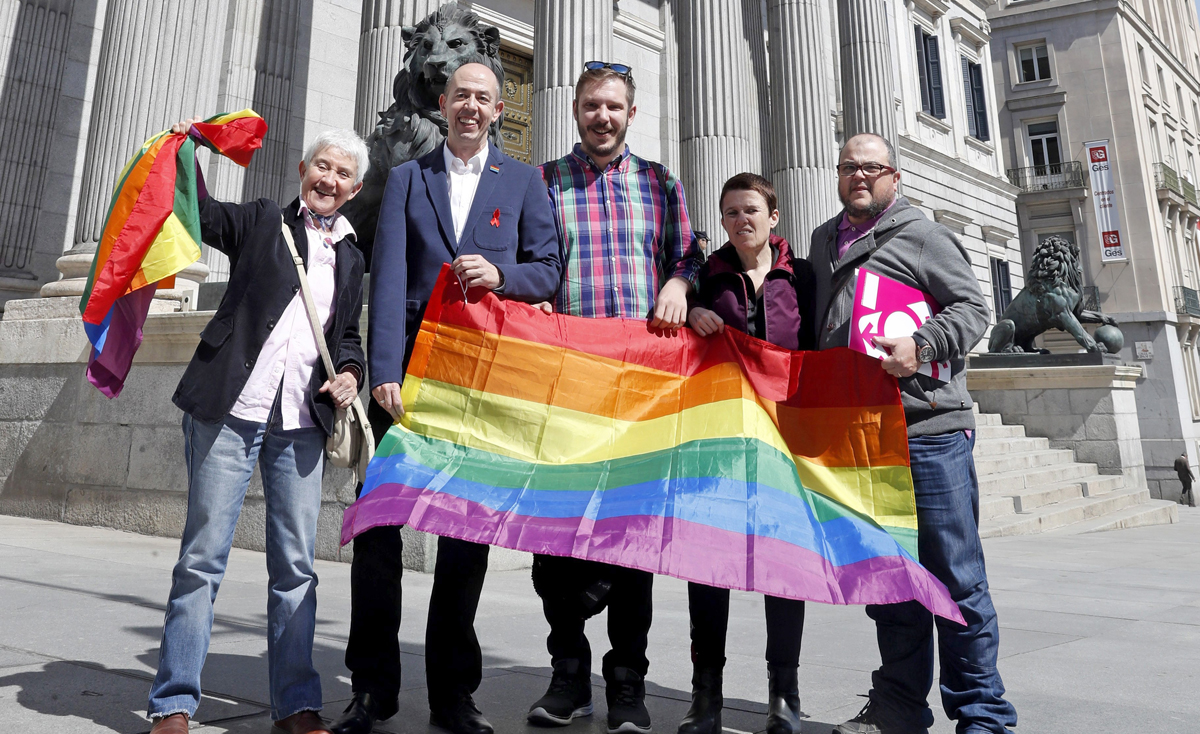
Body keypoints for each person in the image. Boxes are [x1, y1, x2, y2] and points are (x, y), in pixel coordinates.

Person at [332, 62, 562, 734]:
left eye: (482, 98)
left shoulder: (523, 182)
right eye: (459, 95)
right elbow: (390, 275)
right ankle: (372, 691)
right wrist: (384, 372)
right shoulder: (409, 178)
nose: (469, 106)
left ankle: (453, 697)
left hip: (483, 385)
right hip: (406, 377)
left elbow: (548, 266)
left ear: (497, 110)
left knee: (466, 539)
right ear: (443, 103)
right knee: (377, 531)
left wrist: (503, 273)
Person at [147, 124, 369, 734]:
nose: (330, 180)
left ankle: (296, 704)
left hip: (300, 425)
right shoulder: (264, 220)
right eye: (322, 167)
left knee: (296, 567)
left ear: (354, 188)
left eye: (343, 173)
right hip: (230, 412)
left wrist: (349, 373)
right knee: (202, 559)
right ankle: (173, 703)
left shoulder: (351, 256)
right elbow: (205, 216)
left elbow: (345, 337)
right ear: (302, 170)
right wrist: (184, 154)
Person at [808, 133, 1018, 734]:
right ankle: (899, 705)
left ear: (894, 178)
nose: (859, 176)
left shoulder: (922, 233)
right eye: (848, 166)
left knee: (956, 578)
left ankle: (982, 714)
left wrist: (922, 345)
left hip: (928, 430)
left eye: (871, 168)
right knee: (889, 579)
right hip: (861, 434)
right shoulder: (824, 240)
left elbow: (974, 309)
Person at [526, 61, 702, 734]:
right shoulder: (543, 182)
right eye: (593, 106)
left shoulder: (660, 183)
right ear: (576, 110)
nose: (604, 116)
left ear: (631, 113)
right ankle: (567, 674)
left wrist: (681, 284)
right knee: (555, 541)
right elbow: (530, 262)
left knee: (633, 543)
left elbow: (687, 254)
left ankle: (627, 682)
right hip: (566, 387)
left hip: (640, 391)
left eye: (615, 107)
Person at [681, 173, 812, 734]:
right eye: (731, 212)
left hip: (786, 441)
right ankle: (705, 696)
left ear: (773, 216)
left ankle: (784, 695)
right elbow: (671, 330)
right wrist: (690, 315)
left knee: (784, 569)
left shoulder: (803, 276)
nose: (742, 221)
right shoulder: (704, 278)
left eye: (751, 210)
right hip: (718, 441)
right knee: (708, 568)